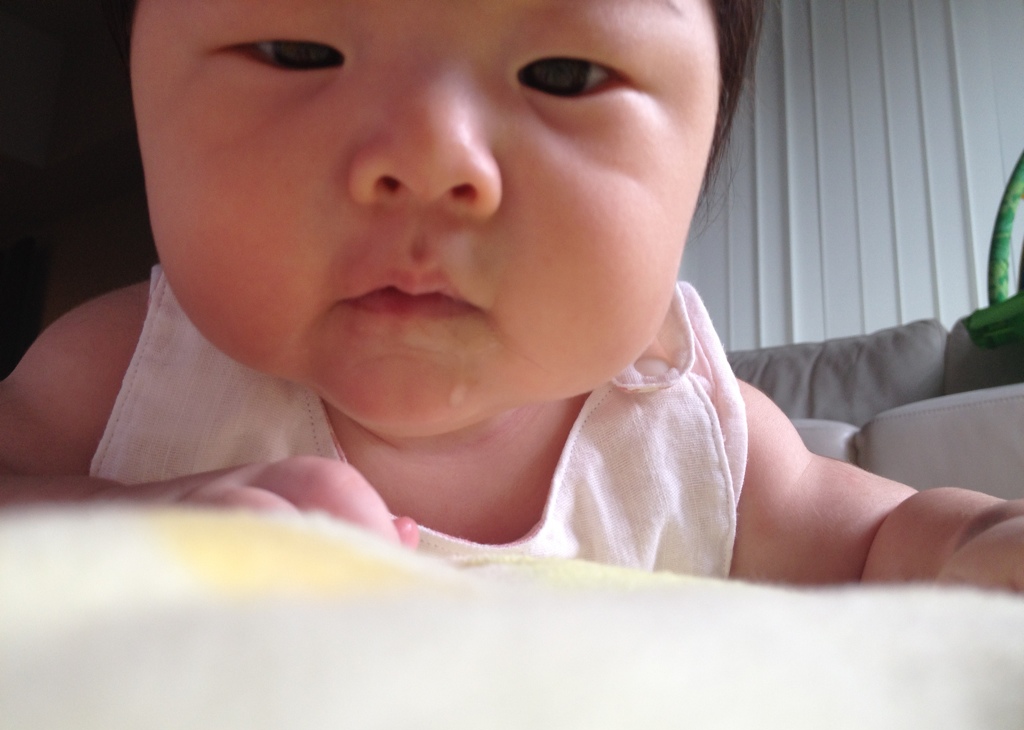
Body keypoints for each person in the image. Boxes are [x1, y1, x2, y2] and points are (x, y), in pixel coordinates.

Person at [1, 0, 1021, 590]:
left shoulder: (693, 440)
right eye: (297, 52)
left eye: (564, 72)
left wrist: (976, 546)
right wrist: (132, 516)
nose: (427, 159)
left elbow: (887, 543)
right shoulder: (123, 379)